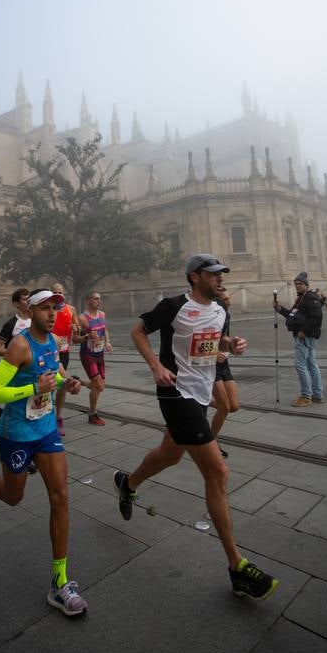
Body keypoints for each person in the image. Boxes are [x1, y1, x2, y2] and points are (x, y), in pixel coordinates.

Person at [113, 254, 278, 602]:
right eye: (214, 274)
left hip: (201, 394)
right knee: (217, 471)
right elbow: (137, 331)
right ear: (194, 277)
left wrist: (231, 345)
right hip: (175, 392)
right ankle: (237, 567)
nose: (220, 279)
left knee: (170, 455)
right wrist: (155, 365)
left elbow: (214, 344)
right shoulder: (172, 306)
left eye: (222, 275)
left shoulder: (221, 311)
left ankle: (127, 483)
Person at [0, 289, 87, 617]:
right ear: (31, 312)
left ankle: (60, 583)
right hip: (15, 434)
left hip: (44, 431)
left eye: (55, 309)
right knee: (13, 497)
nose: (52, 313)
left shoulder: (54, 342)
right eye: (45, 309)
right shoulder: (19, 344)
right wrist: (34, 388)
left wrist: (66, 382)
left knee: (60, 496)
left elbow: (53, 375)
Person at [0, 287, 30, 431]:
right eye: (24, 299)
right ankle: (1, 417)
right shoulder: (11, 324)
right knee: (18, 403)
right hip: (15, 369)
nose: (28, 301)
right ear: (16, 303)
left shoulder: (36, 320)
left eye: (29, 298)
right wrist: (15, 355)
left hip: (31, 368)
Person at [274, 272, 324, 406]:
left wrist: (303, 331)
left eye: (300, 284)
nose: (297, 286)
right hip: (303, 335)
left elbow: (317, 317)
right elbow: (291, 315)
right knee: (312, 365)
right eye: (296, 284)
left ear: (307, 285)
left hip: (305, 336)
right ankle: (317, 395)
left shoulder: (310, 298)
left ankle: (306, 396)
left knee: (300, 365)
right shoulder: (301, 299)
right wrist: (279, 308)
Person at [210, 289, 240, 455]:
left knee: (234, 406)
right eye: (226, 299)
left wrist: (231, 345)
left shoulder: (226, 315)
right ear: (217, 301)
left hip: (223, 362)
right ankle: (211, 441)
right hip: (208, 362)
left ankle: (200, 398)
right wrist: (213, 354)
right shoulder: (208, 315)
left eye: (229, 298)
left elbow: (223, 338)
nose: (229, 302)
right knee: (224, 407)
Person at [51, 282, 82, 437]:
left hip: (64, 351)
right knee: (60, 380)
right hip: (49, 351)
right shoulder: (48, 310)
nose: (59, 294)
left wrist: (76, 328)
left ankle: (58, 417)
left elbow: (76, 331)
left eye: (61, 292)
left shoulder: (71, 309)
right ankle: (48, 417)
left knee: (61, 386)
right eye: (55, 292)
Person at [79, 291, 113, 426]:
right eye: (96, 299)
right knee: (98, 384)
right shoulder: (82, 318)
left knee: (100, 386)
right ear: (88, 300)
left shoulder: (102, 314)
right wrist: (86, 336)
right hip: (88, 355)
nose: (99, 301)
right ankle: (92, 414)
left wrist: (108, 342)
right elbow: (75, 338)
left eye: (100, 299)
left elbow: (104, 330)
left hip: (100, 354)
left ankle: (79, 382)